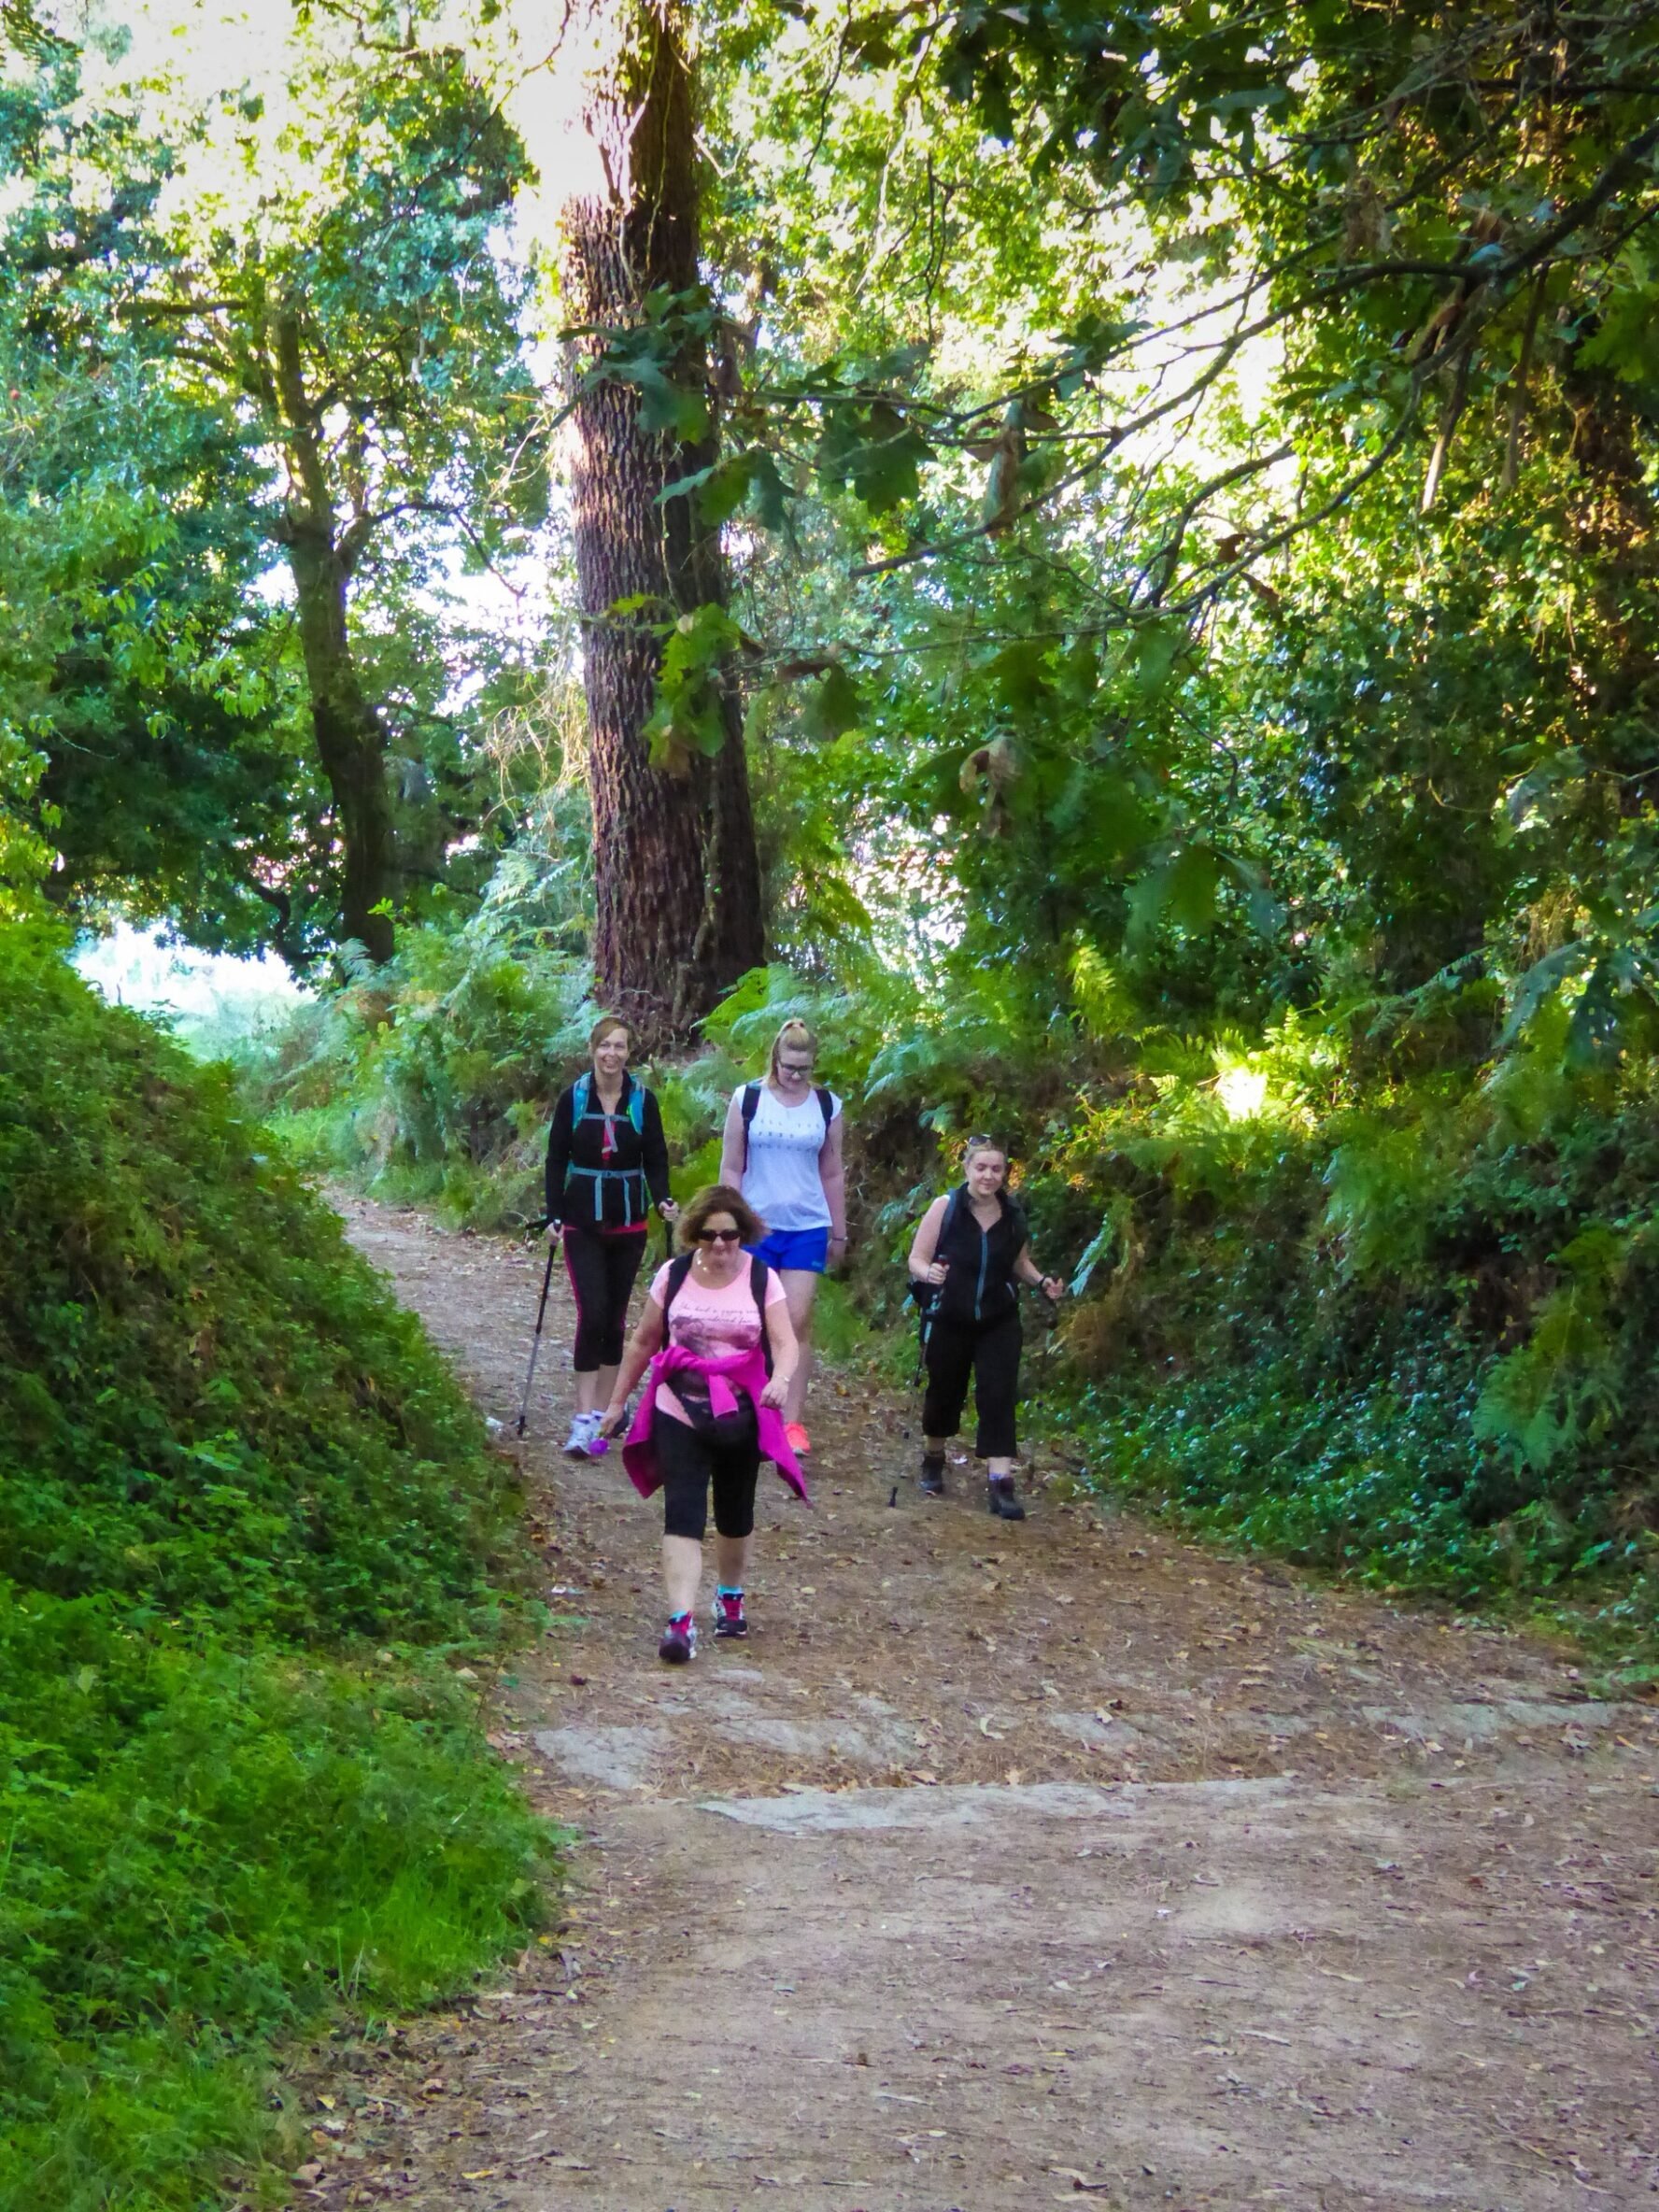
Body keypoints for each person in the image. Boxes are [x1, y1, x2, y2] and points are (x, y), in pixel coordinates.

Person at [598, 1185, 802, 1664]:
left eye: (730, 1235)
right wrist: (615, 1404)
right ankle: (680, 1622)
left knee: (735, 1514)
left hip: (741, 1410)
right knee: (683, 1512)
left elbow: (786, 1342)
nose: (719, 1245)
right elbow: (644, 1341)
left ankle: (730, 1593)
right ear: (693, 1235)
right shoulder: (673, 1276)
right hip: (679, 1407)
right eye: (709, 1235)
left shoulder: (762, 1279)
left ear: (744, 1234)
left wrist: (782, 1380)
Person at [907, 1135, 1064, 1520]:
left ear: (1005, 1172)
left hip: (999, 1317)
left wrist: (1042, 1282)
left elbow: (1019, 1262)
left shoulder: (1012, 1213)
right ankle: (933, 1456)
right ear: (966, 1169)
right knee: (945, 1390)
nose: (988, 1176)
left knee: (998, 1393)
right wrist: (930, 1273)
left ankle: (1001, 1483)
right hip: (950, 1315)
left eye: (996, 1169)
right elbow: (916, 1258)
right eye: (981, 1168)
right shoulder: (946, 1208)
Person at [545, 1015, 676, 1457]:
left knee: (617, 1320)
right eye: (606, 1045)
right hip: (582, 1222)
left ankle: (604, 1415)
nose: (612, 1054)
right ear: (592, 1048)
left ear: (628, 1053)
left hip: (629, 1224)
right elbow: (556, 1159)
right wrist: (554, 1215)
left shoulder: (643, 1100)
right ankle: (582, 1417)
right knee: (593, 1313)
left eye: (620, 1047)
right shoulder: (573, 1099)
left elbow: (656, 1157)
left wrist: (662, 1200)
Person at [718, 1017, 845, 1458]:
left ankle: (791, 1421)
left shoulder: (827, 1106)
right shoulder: (748, 1099)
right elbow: (731, 1166)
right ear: (775, 1058)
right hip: (756, 1225)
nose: (795, 1075)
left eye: (803, 1069)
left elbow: (832, 1170)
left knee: (795, 1320)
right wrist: (729, 1223)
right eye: (789, 1066)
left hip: (807, 1225)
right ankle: (748, 1408)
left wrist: (839, 1230)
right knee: (751, 1321)